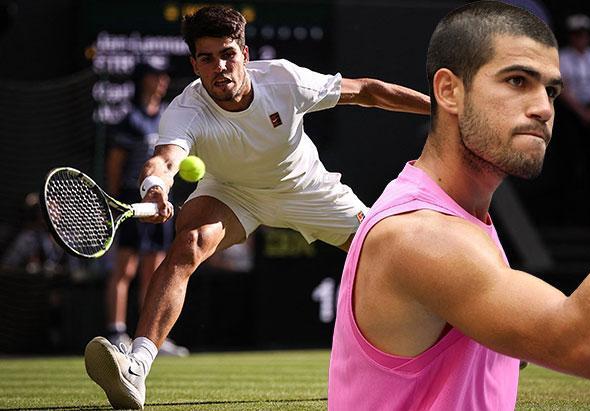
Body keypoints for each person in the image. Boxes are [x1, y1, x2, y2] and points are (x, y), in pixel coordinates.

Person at [327, 2, 590, 409]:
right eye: (517, 81)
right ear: (448, 91)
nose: (544, 109)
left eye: (551, 91)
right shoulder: (420, 234)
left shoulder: (460, 219)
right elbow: (586, 342)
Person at [83, 5, 430, 410]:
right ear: (194, 65)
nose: (220, 67)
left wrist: (441, 111)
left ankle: (459, 336)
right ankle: (136, 368)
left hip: (305, 187)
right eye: (207, 58)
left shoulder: (284, 80)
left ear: (244, 54)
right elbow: (164, 160)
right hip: (234, 193)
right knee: (188, 242)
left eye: (227, 54)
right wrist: (155, 187)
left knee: (390, 257)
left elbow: (366, 91)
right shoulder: (186, 109)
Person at [103, 62, 188, 356]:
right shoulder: (130, 120)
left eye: (164, 76)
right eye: (156, 76)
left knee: (155, 272)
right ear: (143, 81)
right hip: (132, 201)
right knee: (125, 268)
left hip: (161, 203)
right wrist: (116, 201)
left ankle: (148, 339)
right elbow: (114, 166)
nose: (162, 81)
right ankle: (116, 332)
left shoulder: (167, 120)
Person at [555, 13, 590, 223]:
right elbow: (562, 87)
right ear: (571, 36)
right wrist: (580, 111)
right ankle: (568, 213)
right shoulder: (563, 57)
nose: (580, 38)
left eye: (584, 34)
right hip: (571, 113)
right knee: (570, 161)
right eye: (576, 34)